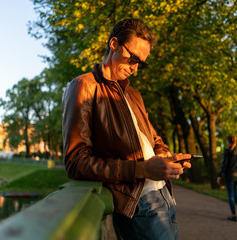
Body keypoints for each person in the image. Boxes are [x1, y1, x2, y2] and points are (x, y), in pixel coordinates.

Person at [62, 18, 192, 240]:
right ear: (114, 44)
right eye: (132, 58)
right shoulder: (84, 86)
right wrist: (142, 170)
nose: (135, 68)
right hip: (138, 202)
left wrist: (165, 156)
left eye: (140, 63)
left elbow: (154, 138)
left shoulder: (134, 94)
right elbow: (75, 163)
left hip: (164, 194)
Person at [217, 135, 237, 221]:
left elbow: (224, 164)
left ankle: (233, 215)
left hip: (230, 175)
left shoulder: (227, 151)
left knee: (231, 195)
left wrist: (219, 175)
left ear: (229, 142)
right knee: (235, 193)